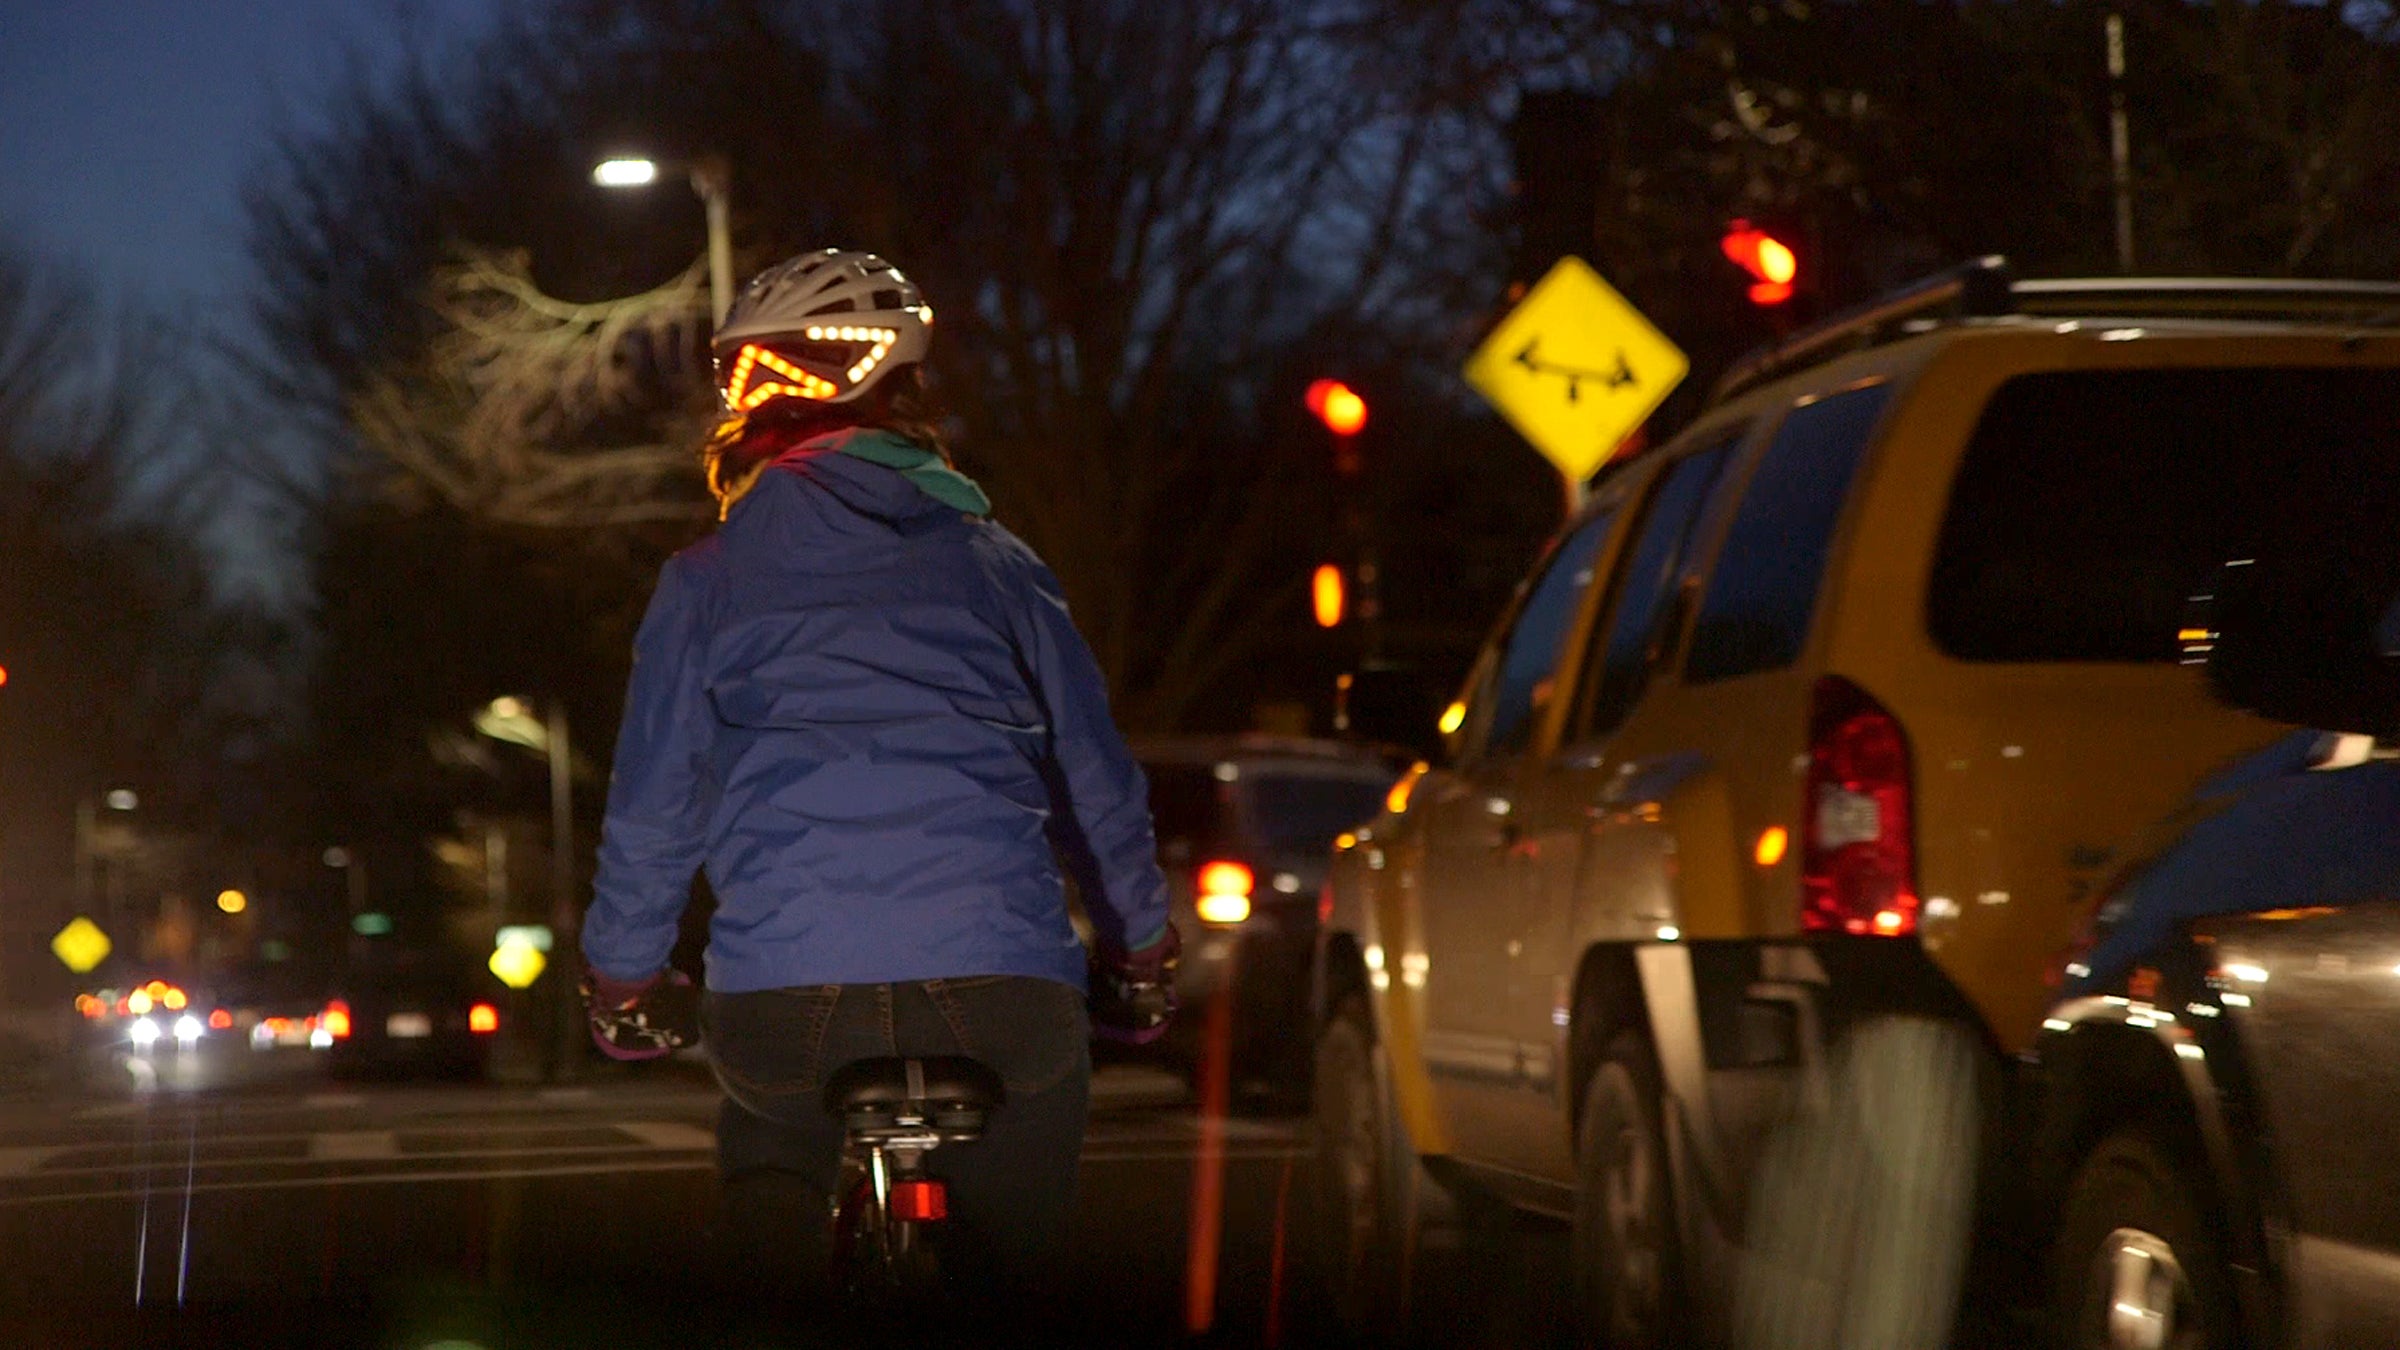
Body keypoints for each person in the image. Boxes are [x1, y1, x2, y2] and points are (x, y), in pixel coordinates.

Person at [577, 248, 1177, 1316]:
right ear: (904, 386)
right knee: (1018, 1252)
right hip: (1001, 983)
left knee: (772, 1159)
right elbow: (1095, 783)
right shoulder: (999, 566)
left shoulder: (704, 582)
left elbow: (656, 806)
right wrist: (1136, 954)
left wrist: (624, 980)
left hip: (784, 989)